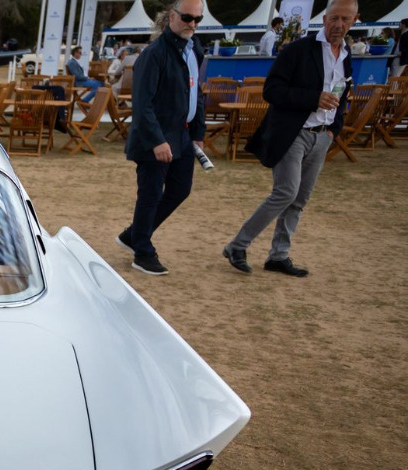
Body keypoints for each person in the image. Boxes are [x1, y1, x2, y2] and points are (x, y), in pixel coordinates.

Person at [222, 0, 359, 279]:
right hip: (292, 134)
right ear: (324, 19)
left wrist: (333, 130)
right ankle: (237, 246)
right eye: (334, 18)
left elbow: (343, 94)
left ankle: (278, 256)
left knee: (300, 199)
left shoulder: (346, 54)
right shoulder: (298, 50)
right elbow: (272, 90)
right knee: (286, 192)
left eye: (345, 19)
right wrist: (313, 98)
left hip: (322, 136)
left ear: (355, 21)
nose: (339, 24)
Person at [115, 1, 206, 276]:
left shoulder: (194, 49)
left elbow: (196, 94)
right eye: (187, 17)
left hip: (182, 135)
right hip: (153, 138)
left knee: (180, 189)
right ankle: (142, 252)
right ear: (172, 17)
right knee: (151, 194)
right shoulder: (154, 54)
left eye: (198, 19)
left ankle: (134, 235)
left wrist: (198, 133)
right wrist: (157, 140)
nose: (192, 24)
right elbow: (142, 104)